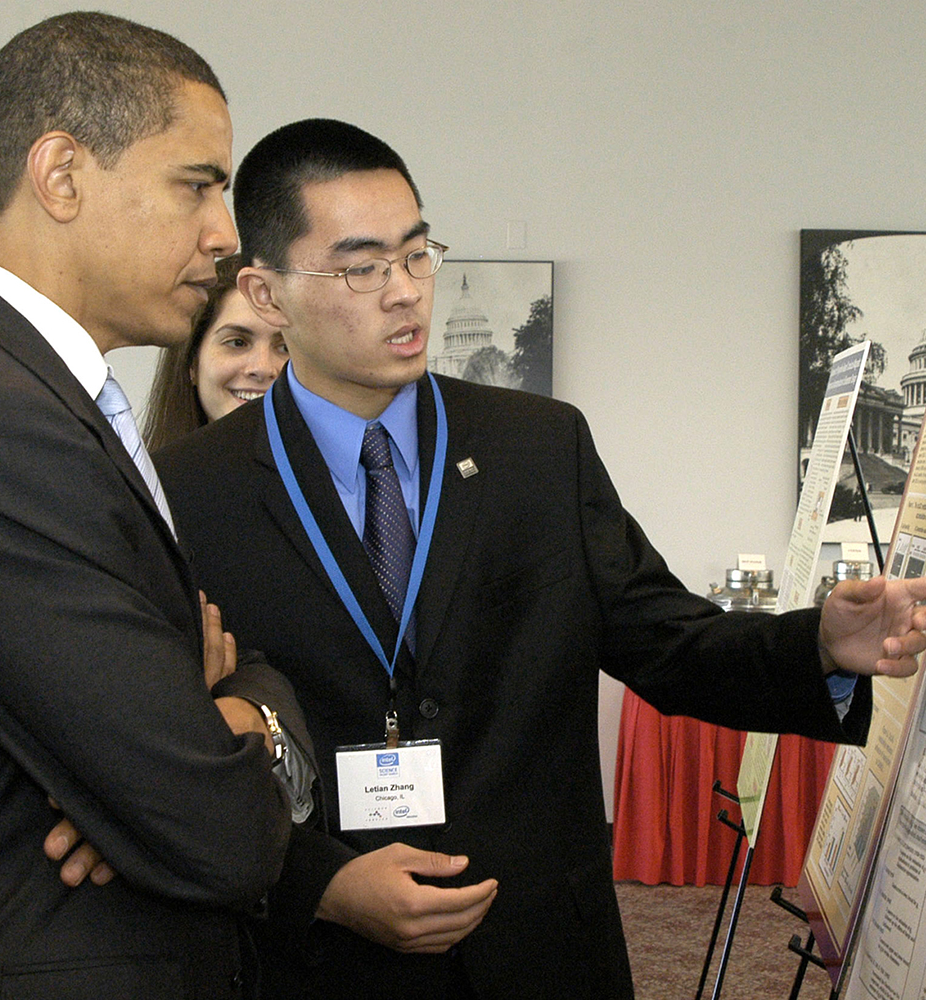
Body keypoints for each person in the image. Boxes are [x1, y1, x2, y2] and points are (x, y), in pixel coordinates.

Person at [154, 118, 926, 999]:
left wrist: (822, 647)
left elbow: (670, 644)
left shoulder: (536, 448)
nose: (405, 292)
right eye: (362, 268)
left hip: (537, 947)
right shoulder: (191, 492)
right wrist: (318, 884)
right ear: (265, 290)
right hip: (317, 964)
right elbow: (175, 752)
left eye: (417, 254)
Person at [0, 14, 302, 999]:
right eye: (198, 184)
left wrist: (220, 716)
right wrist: (225, 733)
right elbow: (216, 831)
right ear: (61, 175)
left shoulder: (39, 395)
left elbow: (236, 665)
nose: (224, 235)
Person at [144, 254, 289, 452]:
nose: (262, 368)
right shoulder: (138, 479)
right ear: (192, 362)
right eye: (238, 343)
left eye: (285, 347)